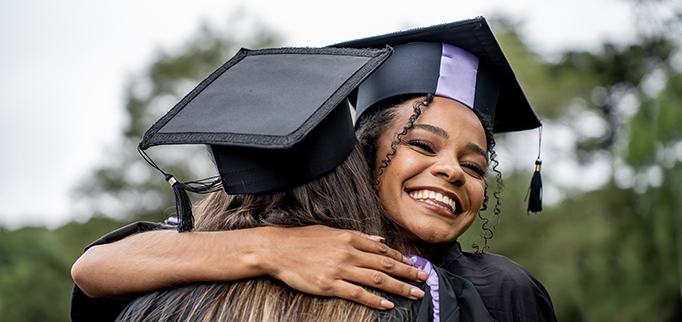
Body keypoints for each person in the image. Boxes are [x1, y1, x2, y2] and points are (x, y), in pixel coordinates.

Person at [71, 17, 557, 322]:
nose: (452, 171)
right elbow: (94, 268)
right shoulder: (239, 246)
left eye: (474, 166)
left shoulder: (500, 289)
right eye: (422, 146)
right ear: (363, 154)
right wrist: (271, 248)